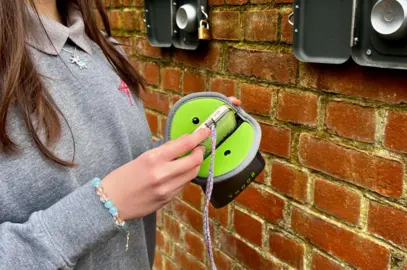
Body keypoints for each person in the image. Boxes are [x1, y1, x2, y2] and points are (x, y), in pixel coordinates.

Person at [0, 0, 241, 268]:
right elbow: (114, 193)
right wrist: (105, 206)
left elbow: (119, 167)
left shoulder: (105, 49)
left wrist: (181, 153)